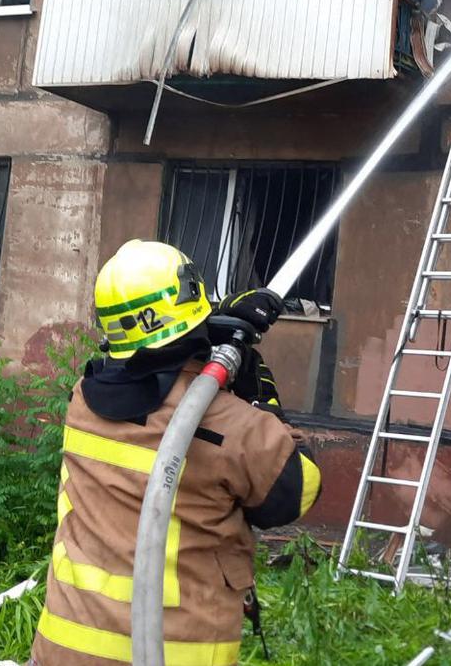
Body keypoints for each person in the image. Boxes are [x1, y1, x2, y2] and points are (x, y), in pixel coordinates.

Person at [29, 239, 321, 666]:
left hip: (64, 648)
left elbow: (148, 380)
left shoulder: (82, 403)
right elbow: (296, 490)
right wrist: (264, 405)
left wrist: (209, 336)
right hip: (177, 654)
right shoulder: (232, 428)